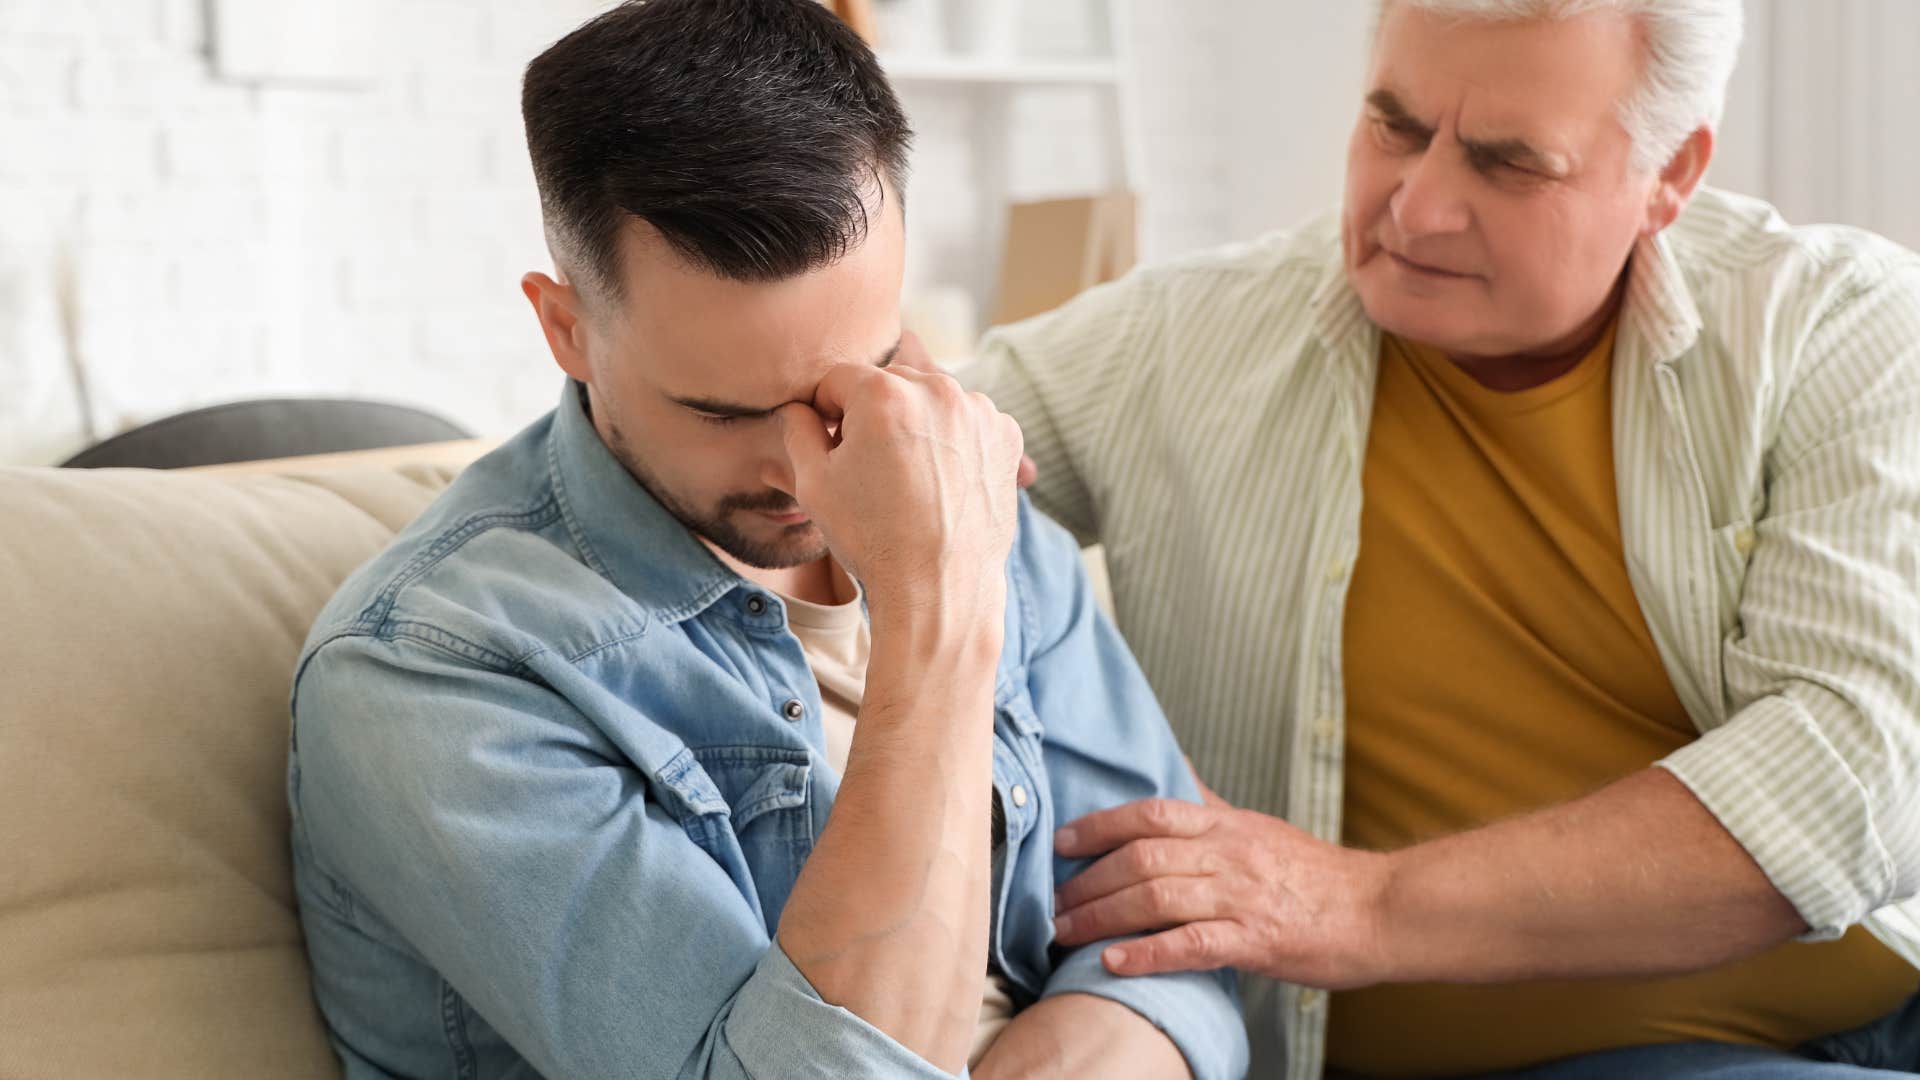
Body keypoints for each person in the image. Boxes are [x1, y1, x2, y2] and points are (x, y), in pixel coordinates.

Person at [284, 2, 1246, 1077]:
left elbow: (1179, 940)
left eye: (858, 372)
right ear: (567, 328)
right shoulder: (429, 676)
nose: (805, 468)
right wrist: (936, 606)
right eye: (726, 413)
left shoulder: (977, 512)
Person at [964, 0, 1920, 1076]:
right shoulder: (1180, 341)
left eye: (1508, 163)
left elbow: (1858, 772)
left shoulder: (1841, 325)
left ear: (1671, 175)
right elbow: (906, 461)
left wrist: (1355, 905)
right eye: (1395, 127)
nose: (1416, 211)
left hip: (1866, 1023)